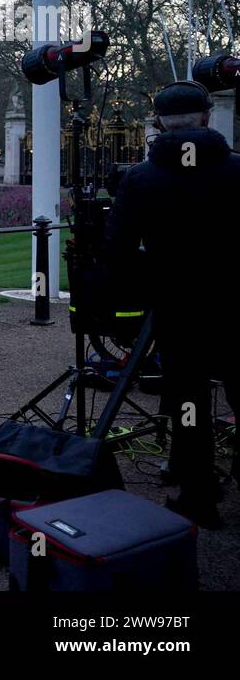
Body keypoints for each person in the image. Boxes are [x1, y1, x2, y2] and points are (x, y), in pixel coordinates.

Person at [105, 81, 240, 528]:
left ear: (159, 122)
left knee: (190, 401)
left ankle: (198, 494)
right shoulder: (235, 170)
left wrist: (156, 279)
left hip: (179, 307)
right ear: (206, 117)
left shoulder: (141, 178)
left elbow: (119, 251)